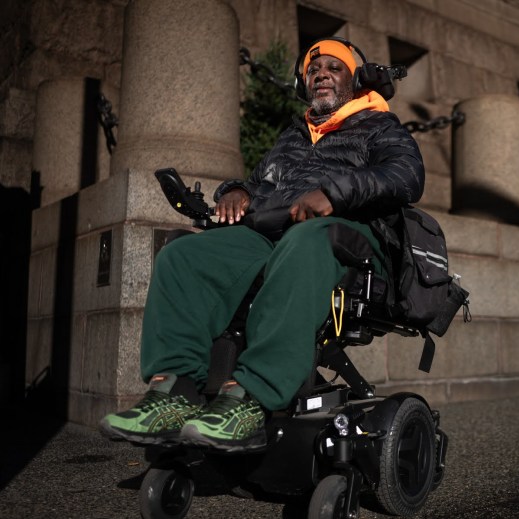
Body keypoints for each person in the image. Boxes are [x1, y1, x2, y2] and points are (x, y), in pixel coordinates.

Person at [99, 38, 424, 452]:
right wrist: (237, 191)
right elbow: (258, 182)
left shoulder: (379, 126)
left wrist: (335, 192)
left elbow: (407, 177)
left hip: (349, 243)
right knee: (183, 255)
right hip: (275, 238)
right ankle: (174, 393)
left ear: (357, 81)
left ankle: (250, 399)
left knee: (305, 239)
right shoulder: (293, 135)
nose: (320, 73)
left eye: (333, 68)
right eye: (313, 69)